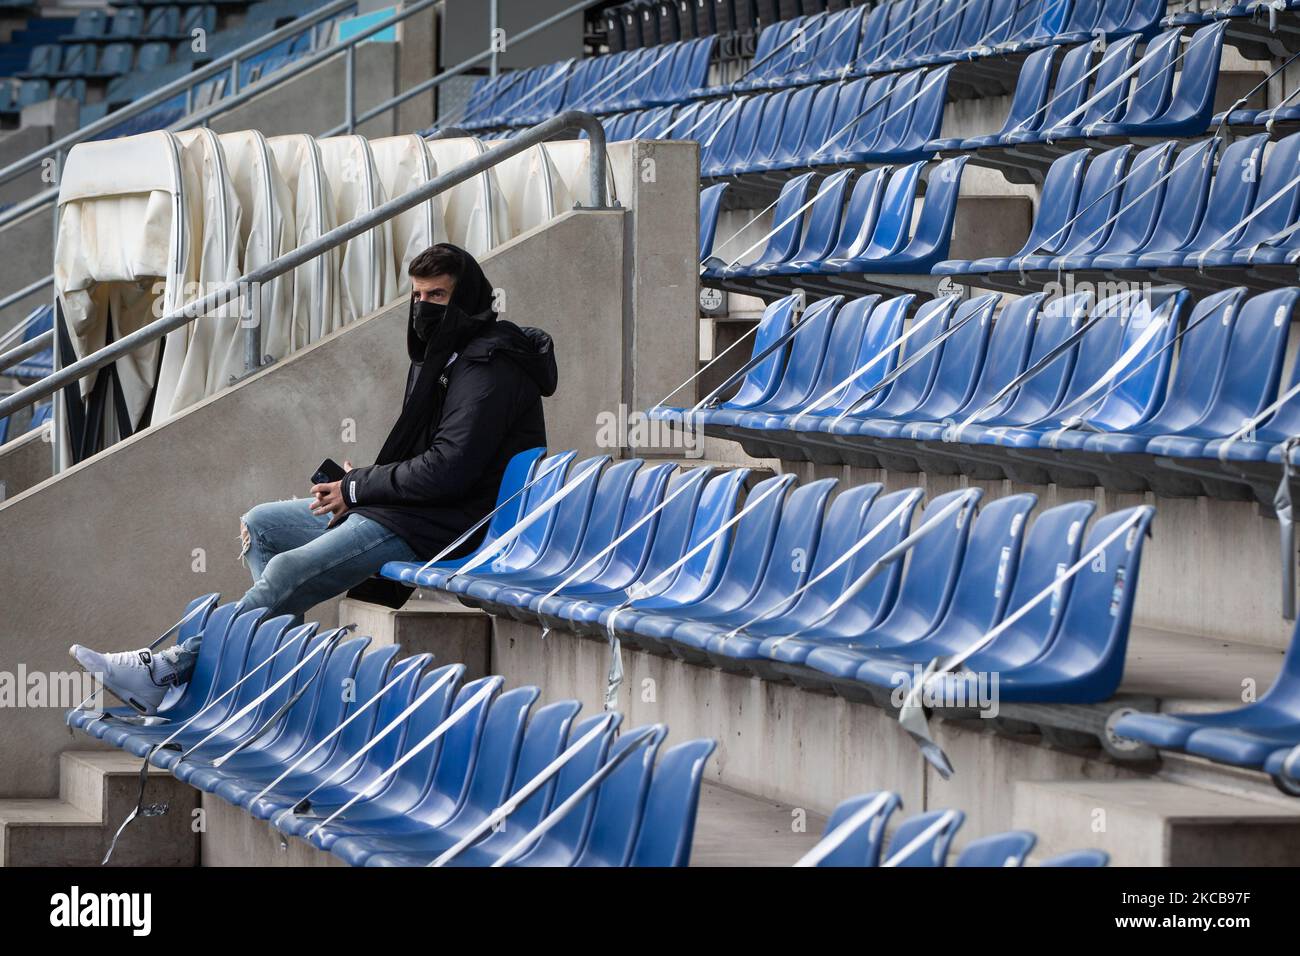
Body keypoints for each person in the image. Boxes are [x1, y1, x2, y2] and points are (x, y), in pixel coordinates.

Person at [70, 243, 558, 715]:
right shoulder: (444, 356)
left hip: (451, 524)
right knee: (262, 525)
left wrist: (358, 488)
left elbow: (449, 470)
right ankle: (274, 674)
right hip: (412, 509)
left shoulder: (490, 367)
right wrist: (358, 487)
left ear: (466, 300)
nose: (423, 307)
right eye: (417, 296)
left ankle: (173, 667)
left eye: (437, 297)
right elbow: (425, 457)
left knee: (284, 572)